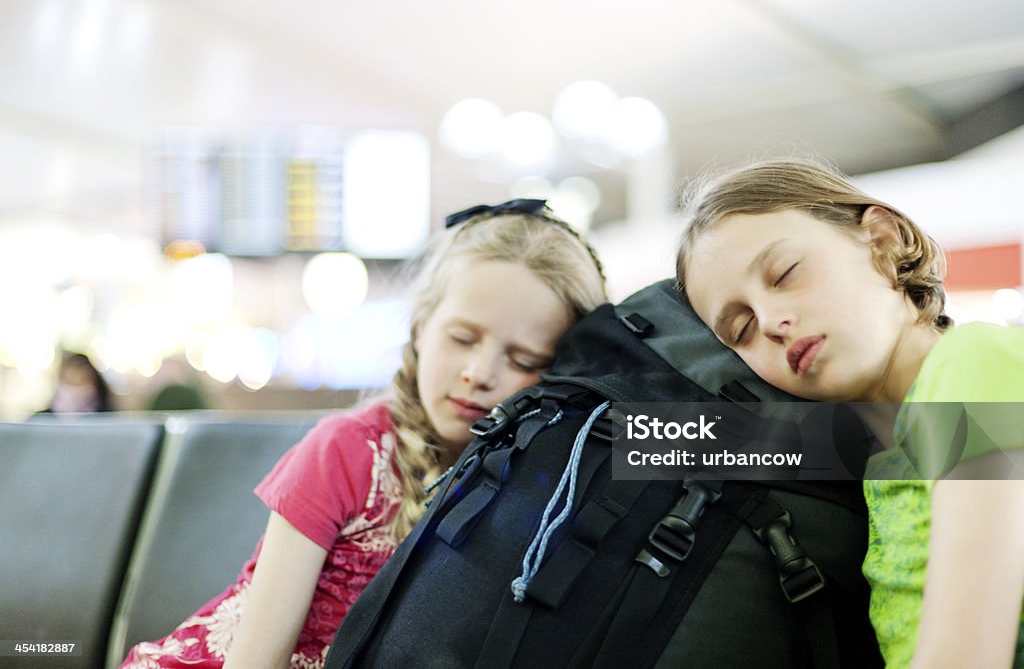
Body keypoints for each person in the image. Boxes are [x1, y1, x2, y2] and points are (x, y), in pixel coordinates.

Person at [120, 199, 607, 669]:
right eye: (461, 339)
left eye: (523, 361)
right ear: (420, 326)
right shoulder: (347, 450)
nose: (479, 373)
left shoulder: (549, 486)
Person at [676, 157, 1024, 668]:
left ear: (883, 239)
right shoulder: (869, 459)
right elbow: (648, 441)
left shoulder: (973, 364)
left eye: (785, 273)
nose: (772, 322)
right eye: (741, 329)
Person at [39, 350, 113, 414]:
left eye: (83, 381)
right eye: (71, 384)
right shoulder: (40, 419)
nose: (77, 391)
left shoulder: (107, 416)